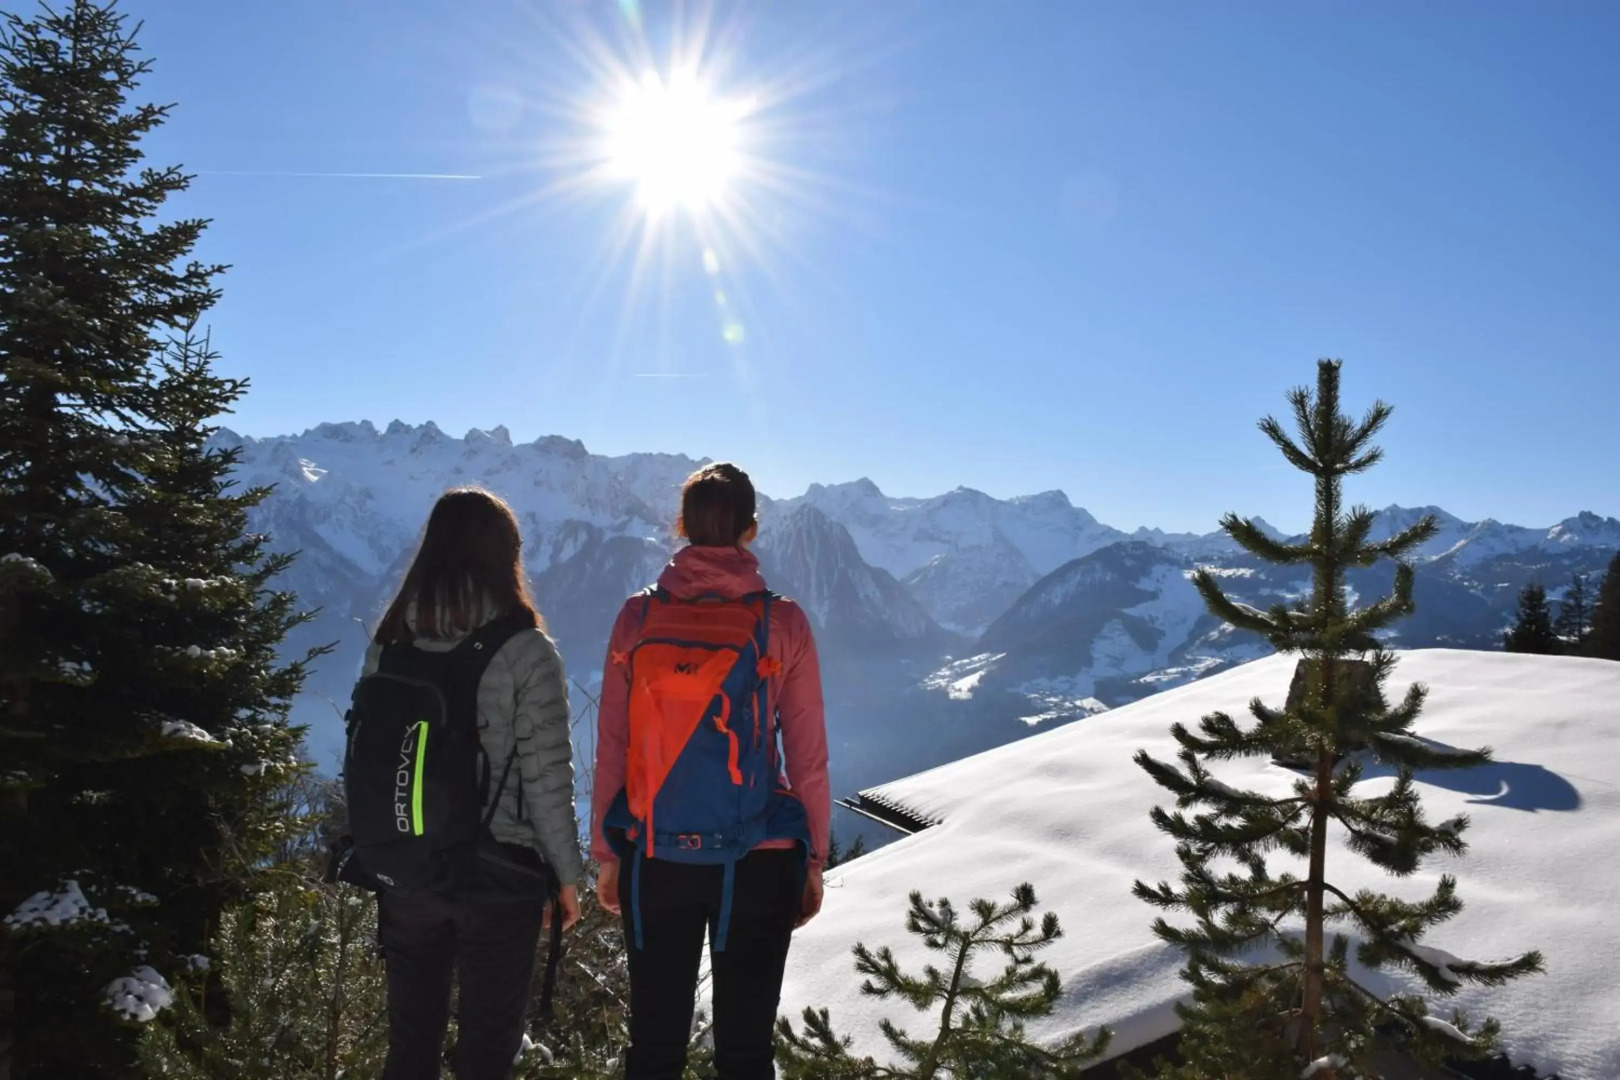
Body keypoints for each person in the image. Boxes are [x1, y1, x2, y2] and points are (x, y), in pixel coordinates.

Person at [593, 462, 831, 1080]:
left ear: (681, 525)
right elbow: (807, 754)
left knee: (654, 1050)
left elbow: (613, 741)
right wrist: (813, 858)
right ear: (751, 528)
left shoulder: (637, 618)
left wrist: (608, 851)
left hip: (655, 854)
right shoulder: (783, 622)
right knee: (746, 1054)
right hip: (758, 856)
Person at [361, 487, 584, 1080]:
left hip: (406, 867)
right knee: (487, 1052)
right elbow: (546, 776)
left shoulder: (389, 641)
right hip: (497, 874)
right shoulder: (526, 649)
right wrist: (566, 876)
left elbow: (370, 758)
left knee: (410, 1047)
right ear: (506, 555)